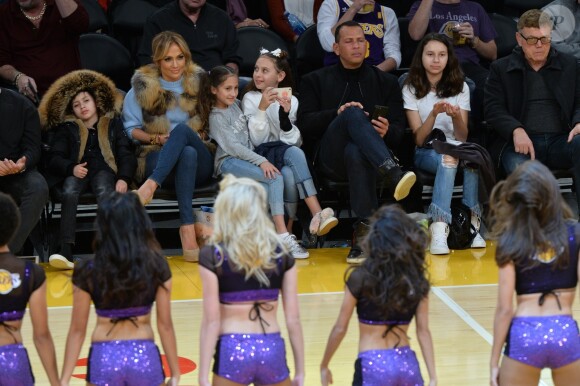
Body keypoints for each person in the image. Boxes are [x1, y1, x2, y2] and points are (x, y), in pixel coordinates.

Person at [298, 21, 415, 264]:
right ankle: (393, 172)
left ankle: (363, 234)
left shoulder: (386, 82)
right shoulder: (314, 80)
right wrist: (336, 113)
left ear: (368, 47)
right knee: (351, 113)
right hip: (330, 159)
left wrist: (386, 131)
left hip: (367, 160)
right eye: (349, 41)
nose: (356, 46)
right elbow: (305, 125)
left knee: (356, 150)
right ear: (336, 47)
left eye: (360, 41)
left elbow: (399, 129)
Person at [60, 191, 180, 386]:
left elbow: (77, 331)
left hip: (103, 357)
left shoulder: (87, 269)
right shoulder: (157, 265)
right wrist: (175, 373)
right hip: (144, 357)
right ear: (140, 223)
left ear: (103, 226)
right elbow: (165, 325)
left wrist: (64, 379)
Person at [198, 174, 305, 386]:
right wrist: (300, 369)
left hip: (232, 348)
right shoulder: (281, 253)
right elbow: (293, 319)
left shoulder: (213, 255)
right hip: (271, 347)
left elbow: (211, 321)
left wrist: (202, 375)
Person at [200, 65, 313, 259]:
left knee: (269, 188)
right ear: (213, 89)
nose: (233, 93)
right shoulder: (216, 116)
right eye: (227, 89)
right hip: (228, 161)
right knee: (275, 177)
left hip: (246, 159)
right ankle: (283, 235)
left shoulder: (236, 104)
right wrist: (261, 161)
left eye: (235, 88)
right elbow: (234, 148)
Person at [320, 205, 437, 386]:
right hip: (407, 365)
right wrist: (433, 376)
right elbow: (423, 331)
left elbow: (340, 328)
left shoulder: (360, 278)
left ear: (374, 240)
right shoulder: (416, 279)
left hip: (372, 366)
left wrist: (324, 365)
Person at [124, 31, 214, 263]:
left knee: (184, 135)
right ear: (157, 61)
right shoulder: (142, 87)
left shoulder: (200, 82)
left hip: (201, 162)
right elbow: (130, 130)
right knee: (186, 152)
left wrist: (197, 133)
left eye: (180, 57)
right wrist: (156, 139)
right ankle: (187, 231)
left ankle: (148, 188)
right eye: (168, 59)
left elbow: (213, 125)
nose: (175, 65)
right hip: (157, 154)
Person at [488, 160, 580, 386]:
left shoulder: (510, 240)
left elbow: (505, 309)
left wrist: (493, 362)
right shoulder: (575, 234)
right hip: (564, 333)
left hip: (525, 335)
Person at [484, 9, 580, 216]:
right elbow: (493, 108)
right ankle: (534, 228)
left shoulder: (569, 65)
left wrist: (579, 121)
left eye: (544, 40)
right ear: (519, 39)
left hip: (561, 141)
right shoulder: (500, 68)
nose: (539, 45)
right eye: (532, 39)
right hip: (520, 144)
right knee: (521, 171)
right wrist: (515, 129)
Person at [38, 69, 137, 270]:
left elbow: (126, 154)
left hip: (104, 169)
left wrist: (124, 178)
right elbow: (54, 157)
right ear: (71, 110)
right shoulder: (68, 129)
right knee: (69, 190)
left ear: (96, 101)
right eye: (76, 104)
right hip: (78, 170)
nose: (82, 107)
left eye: (86, 101)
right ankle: (65, 249)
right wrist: (71, 168)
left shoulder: (112, 124)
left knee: (104, 190)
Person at [403, 33, 485, 255]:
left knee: (471, 158)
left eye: (441, 55)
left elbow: (462, 136)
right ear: (421, 58)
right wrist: (433, 114)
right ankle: (439, 226)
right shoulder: (410, 87)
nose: (436, 60)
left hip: (456, 147)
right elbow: (419, 139)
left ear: (449, 58)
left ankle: (472, 224)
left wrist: (456, 116)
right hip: (426, 151)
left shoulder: (461, 87)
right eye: (430, 54)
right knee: (449, 159)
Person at [242, 48, 338, 238]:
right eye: (256, 69)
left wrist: (285, 120)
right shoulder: (250, 98)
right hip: (261, 156)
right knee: (296, 155)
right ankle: (317, 212)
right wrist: (262, 108)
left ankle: (287, 231)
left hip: (283, 156)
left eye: (265, 70)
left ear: (280, 76)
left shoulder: (291, 100)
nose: (258, 75)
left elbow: (294, 141)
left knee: (288, 174)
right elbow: (257, 141)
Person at [0, 192, 59, 386]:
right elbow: (41, 336)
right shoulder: (30, 272)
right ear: (15, 226)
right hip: (12, 363)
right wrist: (55, 382)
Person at [407, 0, 497, 123]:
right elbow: (415, 34)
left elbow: (492, 54)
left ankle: (478, 132)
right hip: (435, 65)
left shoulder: (475, 8)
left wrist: (474, 39)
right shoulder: (422, 5)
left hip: (468, 65)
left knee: (491, 81)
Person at [0, 0, 89, 98]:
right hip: (31, 99)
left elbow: (81, 25)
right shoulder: (4, 14)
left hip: (71, 92)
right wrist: (18, 77)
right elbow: (2, 63)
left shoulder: (60, 4)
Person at [0, 87, 48, 255]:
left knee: (38, 188)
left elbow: (33, 148)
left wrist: (23, 162)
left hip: (15, 173)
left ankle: (6, 253)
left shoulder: (23, 105)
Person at [138, 0, 241, 72]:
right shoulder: (158, 20)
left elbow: (232, 60)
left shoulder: (222, 18)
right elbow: (148, 61)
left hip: (216, 85)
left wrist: (226, 81)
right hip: (177, 85)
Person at [317, 0, 401, 72]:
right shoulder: (332, 4)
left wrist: (375, 72)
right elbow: (328, 44)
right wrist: (354, 9)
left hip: (374, 72)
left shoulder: (386, 12)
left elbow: (394, 55)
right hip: (338, 72)